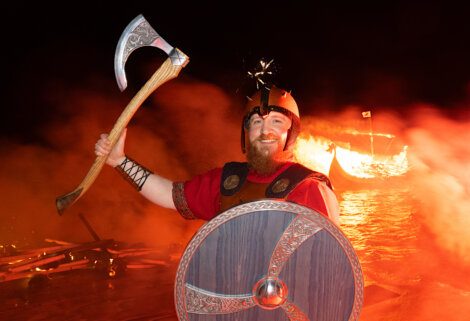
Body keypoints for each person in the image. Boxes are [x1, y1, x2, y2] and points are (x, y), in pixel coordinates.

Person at [94, 85, 340, 224]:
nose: (265, 131)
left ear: (291, 133)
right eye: (256, 122)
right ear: (246, 133)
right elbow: (170, 195)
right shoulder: (227, 181)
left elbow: (328, 262)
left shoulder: (310, 187)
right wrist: (119, 161)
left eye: (276, 121)